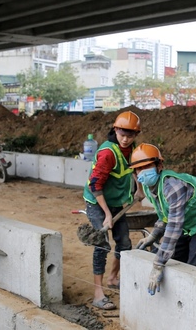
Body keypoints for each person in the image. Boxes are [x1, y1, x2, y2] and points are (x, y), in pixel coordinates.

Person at [130, 143, 196, 296]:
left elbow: (174, 226)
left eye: (147, 166)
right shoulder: (151, 189)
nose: (143, 172)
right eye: (139, 169)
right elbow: (165, 215)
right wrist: (154, 234)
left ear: (159, 165)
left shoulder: (173, 187)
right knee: (166, 256)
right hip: (187, 221)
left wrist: (157, 266)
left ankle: (191, 303)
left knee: (193, 270)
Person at [82, 110, 141, 310]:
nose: (125, 139)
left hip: (116, 202)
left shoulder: (133, 150)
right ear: (115, 129)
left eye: (130, 135)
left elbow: (134, 170)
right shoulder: (107, 153)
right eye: (122, 134)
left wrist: (139, 190)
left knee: (124, 242)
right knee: (102, 244)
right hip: (97, 203)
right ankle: (98, 293)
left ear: (135, 135)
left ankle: (113, 278)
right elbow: (95, 186)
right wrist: (107, 215)